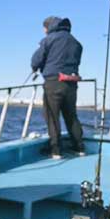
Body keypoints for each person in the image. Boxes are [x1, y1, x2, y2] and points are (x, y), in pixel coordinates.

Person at [31, 16, 84, 159]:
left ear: (48, 27)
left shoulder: (48, 39)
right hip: (72, 84)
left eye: (44, 28)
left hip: (54, 83)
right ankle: (79, 148)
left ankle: (55, 150)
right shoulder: (76, 43)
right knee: (71, 116)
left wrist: (35, 67)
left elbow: (36, 60)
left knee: (52, 116)